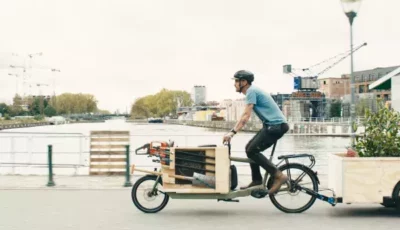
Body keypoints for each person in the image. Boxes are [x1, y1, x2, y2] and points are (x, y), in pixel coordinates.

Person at [222, 70, 290, 195]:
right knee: (249, 148)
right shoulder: (252, 91)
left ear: (244, 82)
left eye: (237, 81)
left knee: (252, 150)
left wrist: (232, 132)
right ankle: (257, 180)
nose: (235, 84)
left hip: (276, 126)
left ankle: (278, 175)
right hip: (271, 126)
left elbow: (245, 116)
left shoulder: (251, 92)